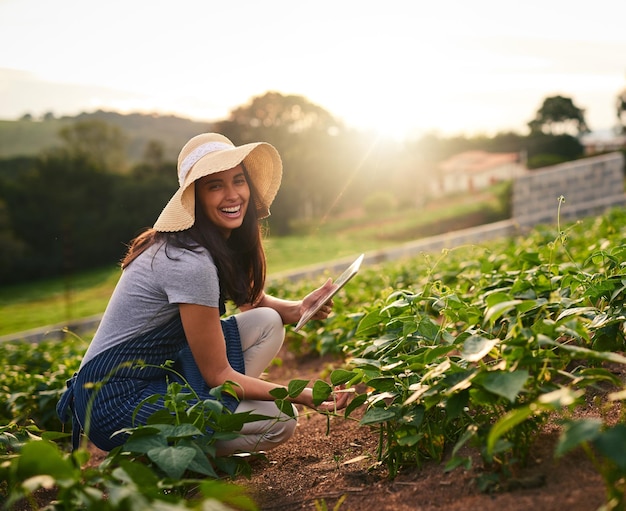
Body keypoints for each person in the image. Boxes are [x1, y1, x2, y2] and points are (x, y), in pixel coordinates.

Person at [57, 133, 350, 455]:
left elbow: (252, 301)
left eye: (238, 181)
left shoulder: (209, 243)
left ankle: (208, 428)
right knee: (280, 419)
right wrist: (302, 393)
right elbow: (217, 374)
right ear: (194, 196)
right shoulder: (187, 260)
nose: (232, 195)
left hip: (148, 376)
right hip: (114, 402)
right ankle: (165, 457)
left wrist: (297, 308)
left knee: (267, 320)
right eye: (215, 186)